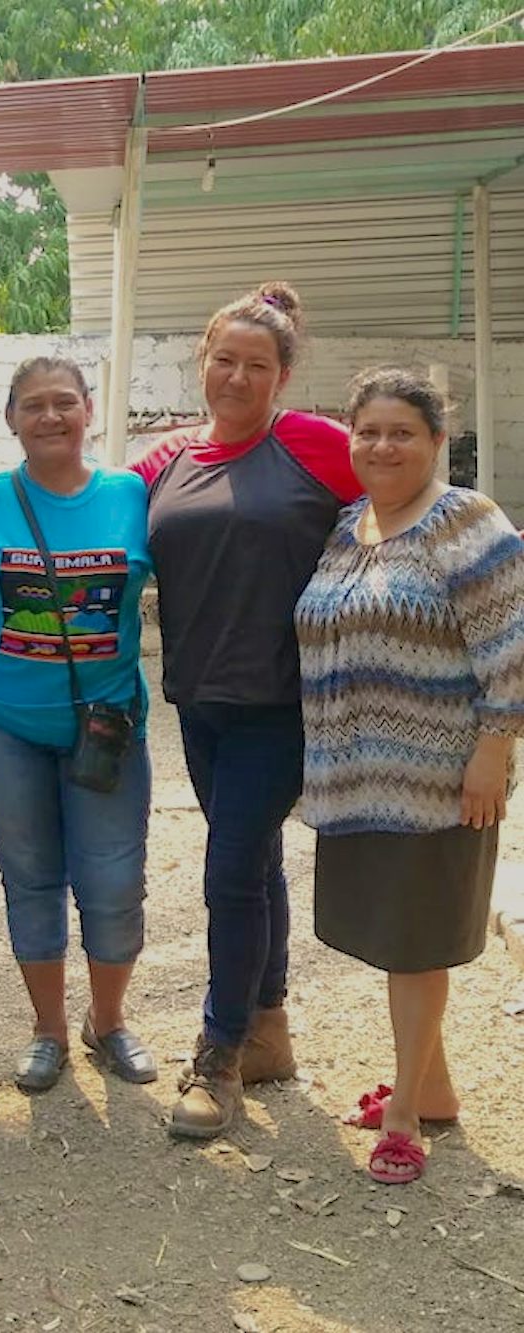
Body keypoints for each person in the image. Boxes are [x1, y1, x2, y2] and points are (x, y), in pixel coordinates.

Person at [137, 283, 363, 1139]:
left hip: (284, 700)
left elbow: (405, 484)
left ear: (284, 374)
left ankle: (220, 1052)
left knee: (228, 869)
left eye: (256, 364)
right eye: (223, 359)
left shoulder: (316, 444)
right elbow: (80, 497)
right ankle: (271, 1030)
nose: (237, 376)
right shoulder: (165, 458)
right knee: (254, 855)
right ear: (203, 361)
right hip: (198, 698)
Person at [295, 368, 524, 1184]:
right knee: (398, 941)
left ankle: (403, 1120)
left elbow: (512, 648)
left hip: (439, 781)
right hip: (356, 777)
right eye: (369, 431)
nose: (383, 445)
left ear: (437, 441)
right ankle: (434, 1089)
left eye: (403, 431)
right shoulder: (348, 525)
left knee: (418, 946)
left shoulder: (468, 523)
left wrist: (493, 750)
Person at [0, 357, 156, 1092]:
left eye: (65, 402)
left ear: (89, 410)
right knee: (30, 876)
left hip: (107, 726)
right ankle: (48, 1030)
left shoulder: (131, 494)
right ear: (11, 420)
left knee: (114, 880)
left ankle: (109, 1022)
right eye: (34, 406)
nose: (51, 416)